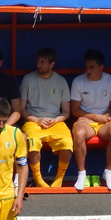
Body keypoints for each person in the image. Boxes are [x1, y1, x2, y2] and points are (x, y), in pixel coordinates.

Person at [19, 48, 72, 188]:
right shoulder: (28, 79)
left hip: (55, 121)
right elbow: (21, 109)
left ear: (52, 64)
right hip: (33, 120)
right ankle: (38, 179)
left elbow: (66, 112)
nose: (38, 65)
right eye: (37, 61)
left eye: (42, 62)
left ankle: (59, 179)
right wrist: (37, 120)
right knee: (33, 142)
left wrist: (56, 120)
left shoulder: (60, 81)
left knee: (67, 142)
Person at [70, 50, 111, 192]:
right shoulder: (78, 81)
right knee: (78, 133)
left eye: (92, 67)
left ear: (101, 67)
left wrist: (103, 117)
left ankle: (108, 172)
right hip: (86, 121)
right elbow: (74, 109)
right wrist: (94, 117)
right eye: (86, 67)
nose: (88, 71)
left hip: (105, 120)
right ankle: (81, 174)